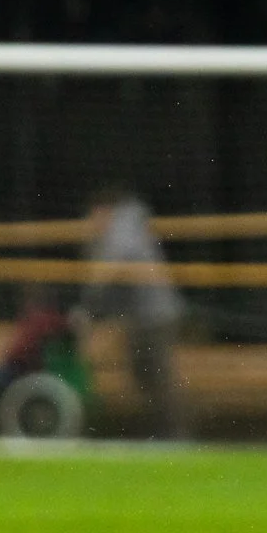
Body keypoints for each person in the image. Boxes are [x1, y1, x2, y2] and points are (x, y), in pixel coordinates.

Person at [80, 188, 188, 439]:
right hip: (144, 318)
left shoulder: (123, 227)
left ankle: (176, 434)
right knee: (144, 375)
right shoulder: (119, 229)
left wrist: (91, 297)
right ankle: (165, 433)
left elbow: (113, 266)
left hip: (157, 316)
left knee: (159, 378)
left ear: (103, 211)